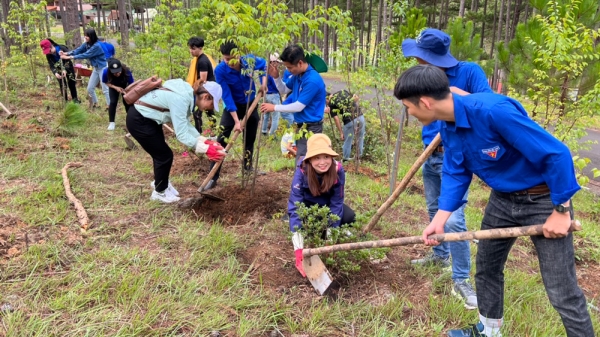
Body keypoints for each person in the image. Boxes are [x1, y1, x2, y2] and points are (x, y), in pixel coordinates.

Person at [394, 64, 595, 337]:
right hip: (502, 201)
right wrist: (440, 219)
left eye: (408, 106)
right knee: (487, 268)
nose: (409, 112)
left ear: (426, 103)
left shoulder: (492, 112)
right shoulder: (447, 123)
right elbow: (455, 169)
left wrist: (561, 210)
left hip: (543, 200)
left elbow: (556, 154)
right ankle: (488, 331)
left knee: (561, 288)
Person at [401, 28, 495, 309]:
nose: (416, 62)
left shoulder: (469, 72)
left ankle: (461, 278)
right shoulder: (421, 77)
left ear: (430, 57)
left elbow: (488, 104)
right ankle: (439, 255)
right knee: (434, 209)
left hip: (456, 156)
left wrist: (455, 97)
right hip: (430, 154)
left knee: (454, 220)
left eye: (419, 57)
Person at [126, 80, 226, 203]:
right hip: (139, 120)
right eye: (211, 105)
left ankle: (162, 182)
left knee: (161, 153)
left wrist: (205, 141)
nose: (209, 109)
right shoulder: (181, 100)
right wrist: (205, 149)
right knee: (164, 155)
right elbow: (182, 134)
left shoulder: (187, 95)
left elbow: (185, 123)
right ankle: (159, 192)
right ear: (206, 97)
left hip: (150, 119)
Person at [203, 41, 267, 191]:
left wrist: (263, 82)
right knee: (221, 140)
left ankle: (247, 167)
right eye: (226, 59)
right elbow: (226, 95)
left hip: (251, 104)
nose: (230, 62)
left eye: (233, 58)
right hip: (232, 107)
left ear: (239, 54)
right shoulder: (220, 71)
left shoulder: (248, 61)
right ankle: (213, 177)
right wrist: (236, 121)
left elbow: (264, 64)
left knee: (249, 139)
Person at [288, 133, 355, 275]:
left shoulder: (337, 170)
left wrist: (329, 242)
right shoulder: (302, 171)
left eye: (326, 156)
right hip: (308, 208)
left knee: (349, 216)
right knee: (304, 222)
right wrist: (299, 250)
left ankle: (327, 232)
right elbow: (295, 205)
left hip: (326, 207)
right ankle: (315, 230)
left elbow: (337, 202)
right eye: (317, 157)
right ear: (310, 159)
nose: (322, 162)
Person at [260, 44, 326, 159]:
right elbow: (284, 89)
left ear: (300, 63)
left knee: (305, 162)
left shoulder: (312, 80)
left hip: (311, 128)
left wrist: (274, 107)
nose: (288, 71)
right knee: (302, 162)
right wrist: (276, 77)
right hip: (301, 125)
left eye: (290, 67)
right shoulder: (298, 75)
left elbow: (298, 106)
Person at [60, 28, 110, 108]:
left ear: (92, 36)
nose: (85, 37)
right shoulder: (87, 44)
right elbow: (78, 50)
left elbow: (86, 54)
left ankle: (110, 106)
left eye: (87, 36)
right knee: (90, 88)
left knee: (105, 88)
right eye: (85, 35)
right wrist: (66, 53)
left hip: (103, 68)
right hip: (96, 68)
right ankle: (95, 104)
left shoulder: (96, 46)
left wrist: (69, 57)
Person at [186, 36, 216, 135]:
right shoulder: (201, 59)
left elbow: (203, 80)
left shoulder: (202, 61)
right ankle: (213, 133)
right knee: (210, 113)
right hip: (208, 91)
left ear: (200, 48)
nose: (191, 51)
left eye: (193, 49)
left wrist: (195, 92)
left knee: (197, 114)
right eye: (190, 48)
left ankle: (198, 135)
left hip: (206, 92)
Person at [327, 90, 365, 161]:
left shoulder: (331, 104)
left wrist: (341, 132)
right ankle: (358, 157)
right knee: (360, 137)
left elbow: (336, 119)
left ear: (326, 99)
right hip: (360, 116)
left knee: (348, 140)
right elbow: (356, 97)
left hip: (349, 120)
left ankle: (345, 159)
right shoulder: (343, 92)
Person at [40, 38, 79, 103]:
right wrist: (55, 73)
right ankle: (65, 101)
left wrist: (65, 69)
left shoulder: (62, 48)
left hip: (68, 67)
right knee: (62, 85)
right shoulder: (48, 55)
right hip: (58, 69)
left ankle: (75, 99)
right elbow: (51, 64)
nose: (49, 53)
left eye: (49, 51)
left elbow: (68, 59)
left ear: (51, 46)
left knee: (71, 83)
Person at [102, 58, 134, 130]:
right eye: (115, 72)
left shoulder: (127, 71)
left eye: (119, 71)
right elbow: (106, 82)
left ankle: (130, 122)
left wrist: (126, 90)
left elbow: (132, 84)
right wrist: (116, 88)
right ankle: (112, 122)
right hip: (113, 86)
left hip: (126, 86)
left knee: (127, 102)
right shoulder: (105, 72)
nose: (117, 74)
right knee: (113, 102)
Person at [261, 53, 284, 137]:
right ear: (272, 62)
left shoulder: (263, 71)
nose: (277, 64)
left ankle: (264, 130)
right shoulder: (271, 71)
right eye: (276, 62)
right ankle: (272, 134)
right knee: (275, 116)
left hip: (266, 95)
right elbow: (276, 85)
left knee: (266, 114)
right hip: (273, 95)